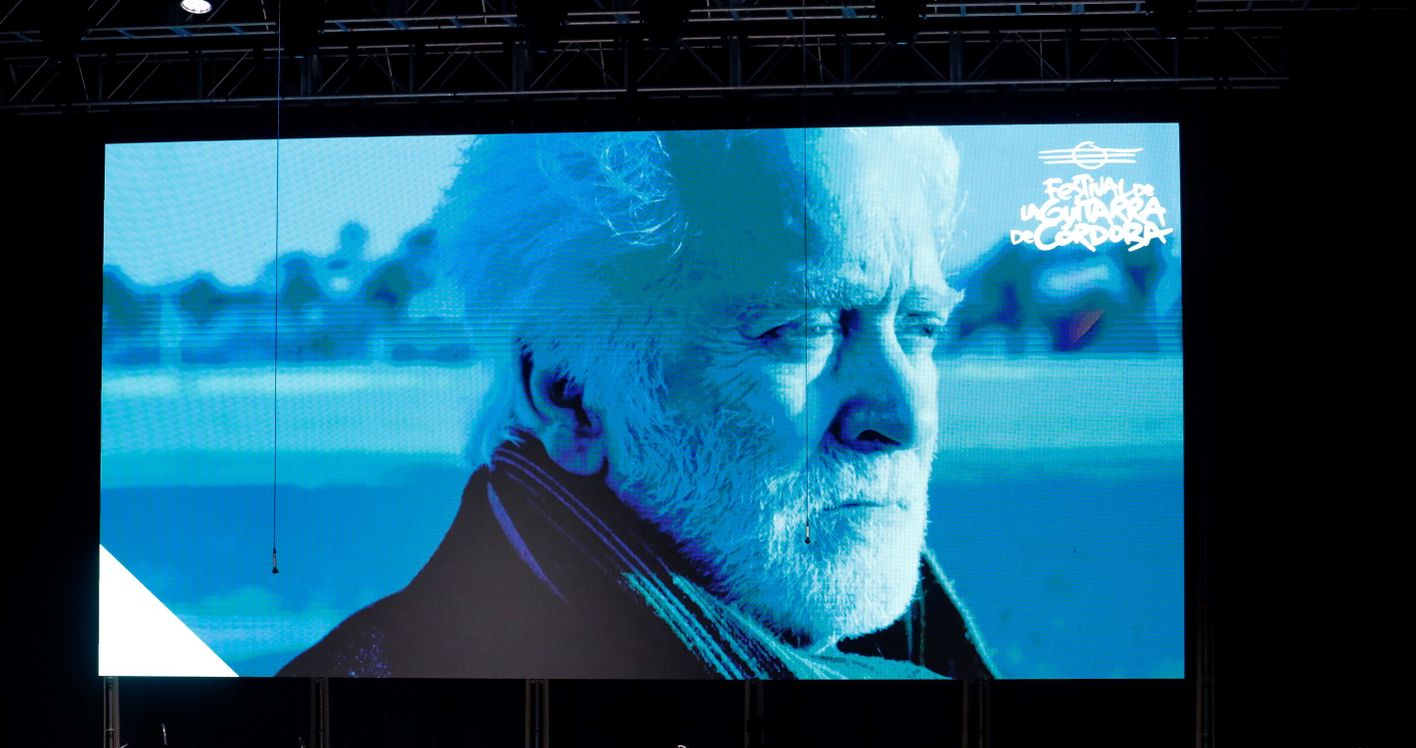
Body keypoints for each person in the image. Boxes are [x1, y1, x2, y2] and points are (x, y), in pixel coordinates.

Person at [279, 127, 993, 682]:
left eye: (920, 326)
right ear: (570, 397)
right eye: (801, 328)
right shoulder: (367, 699)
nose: (904, 419)